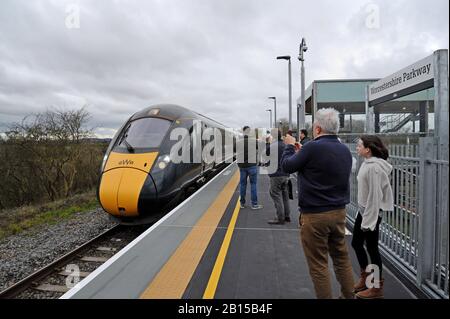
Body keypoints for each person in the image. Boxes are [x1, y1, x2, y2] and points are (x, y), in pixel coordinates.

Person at [281, 108, 355, 299]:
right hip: (339, 213)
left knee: (318, 265)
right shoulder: (344, 150)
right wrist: (302, 153)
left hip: (315, 216)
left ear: (318, 129)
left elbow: (287, 166)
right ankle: (349, 296)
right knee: (341, 259)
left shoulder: (312, 148)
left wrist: (289, 146)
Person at [352, 136, 393, 299]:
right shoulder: (367, 164)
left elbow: (375, 197)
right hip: (364, 213)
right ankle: (366, 278)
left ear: (368, 149)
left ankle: (376, 288)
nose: (357, 148)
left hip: (371, 214)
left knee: (372, 248)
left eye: (359, 145)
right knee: (356, 243)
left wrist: (369, 221)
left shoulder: (374, 168)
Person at [266, 130, 291, 225]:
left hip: (276, 174)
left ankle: (280, 218)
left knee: (275, 194)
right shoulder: (286, 145)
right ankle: (287, 216)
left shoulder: (271, 146)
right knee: (285, 195)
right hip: (286, 174)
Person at [237, 126, 263, 210]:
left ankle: (242, 203)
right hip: (252, 166)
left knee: (242, 184)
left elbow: (234, 150)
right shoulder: (253, 141)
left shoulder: (238, 142)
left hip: (242, 166)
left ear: (243, 132)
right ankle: (254, 204)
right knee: (253, 184)